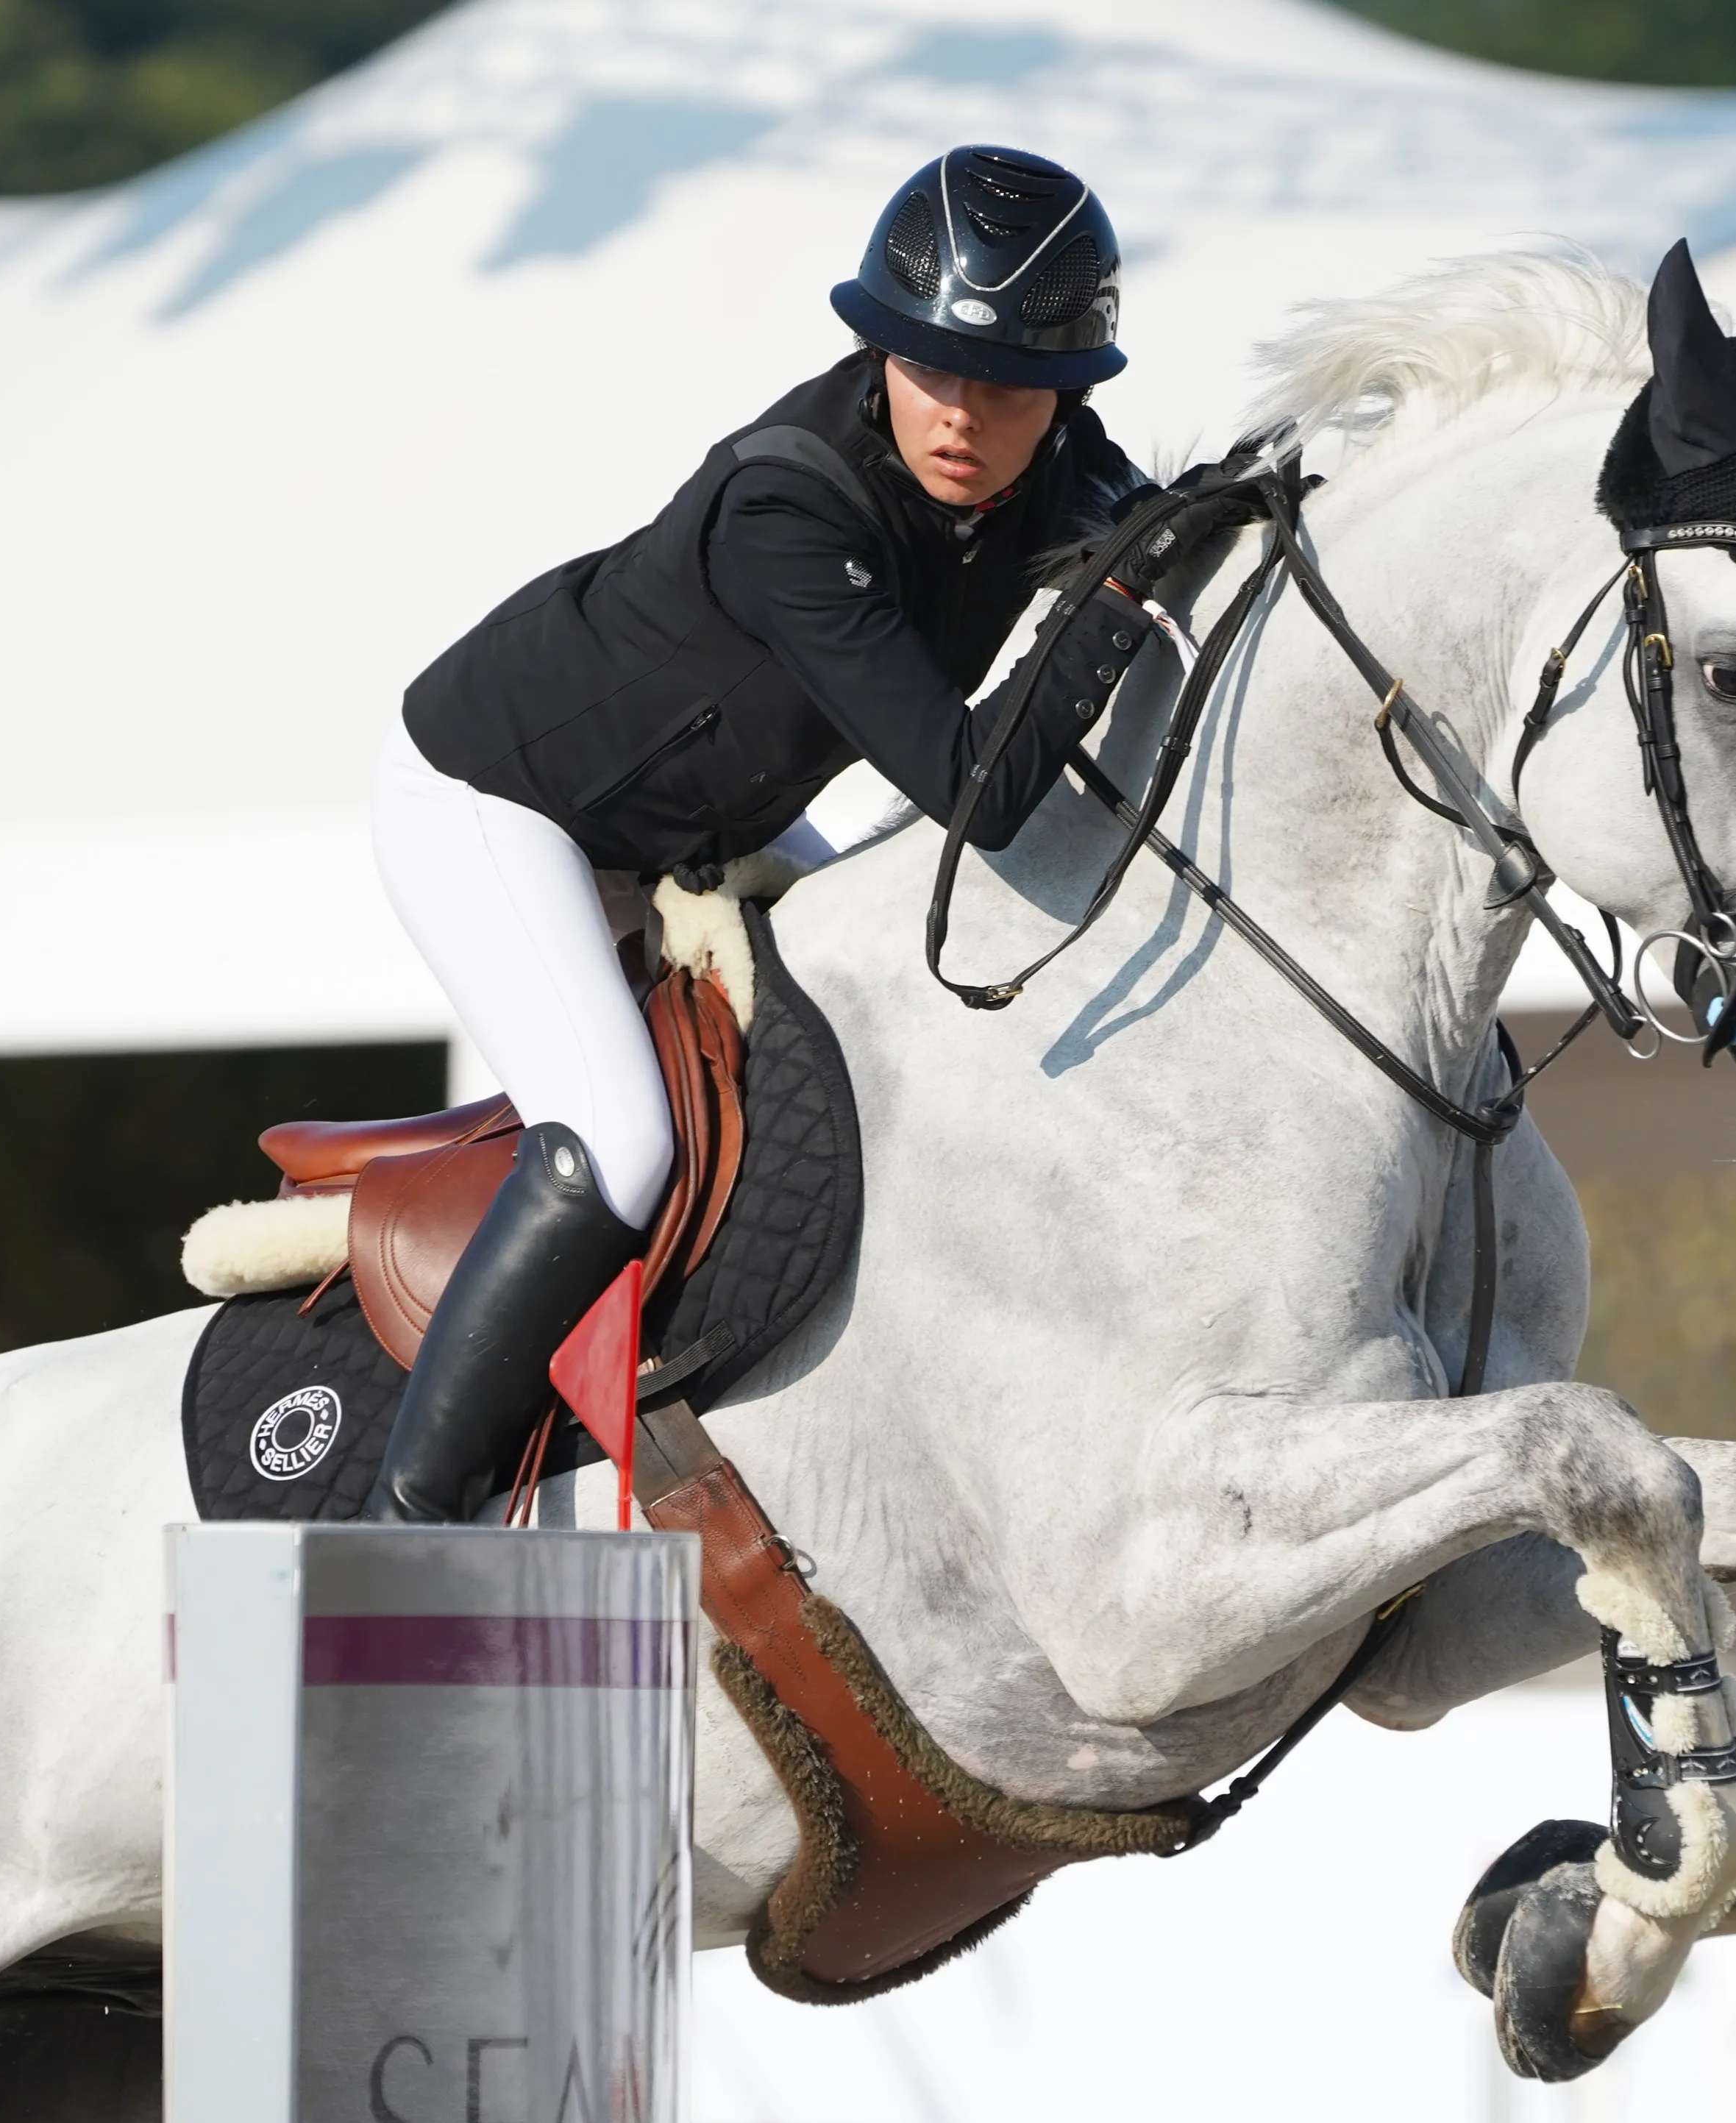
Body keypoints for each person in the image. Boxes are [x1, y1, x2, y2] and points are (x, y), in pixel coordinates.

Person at [366, 143, 1168, 1523]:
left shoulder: (1057, 468)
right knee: (619, 1137)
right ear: (878, 354)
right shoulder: (791, 505)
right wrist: (1115, 601)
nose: (962, 418)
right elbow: (976, 794)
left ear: (1065, 397)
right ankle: (414, 1514)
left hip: (689, 831)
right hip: (499, 803)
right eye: (930, 373)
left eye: (1007, 390)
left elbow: (1151, 524)